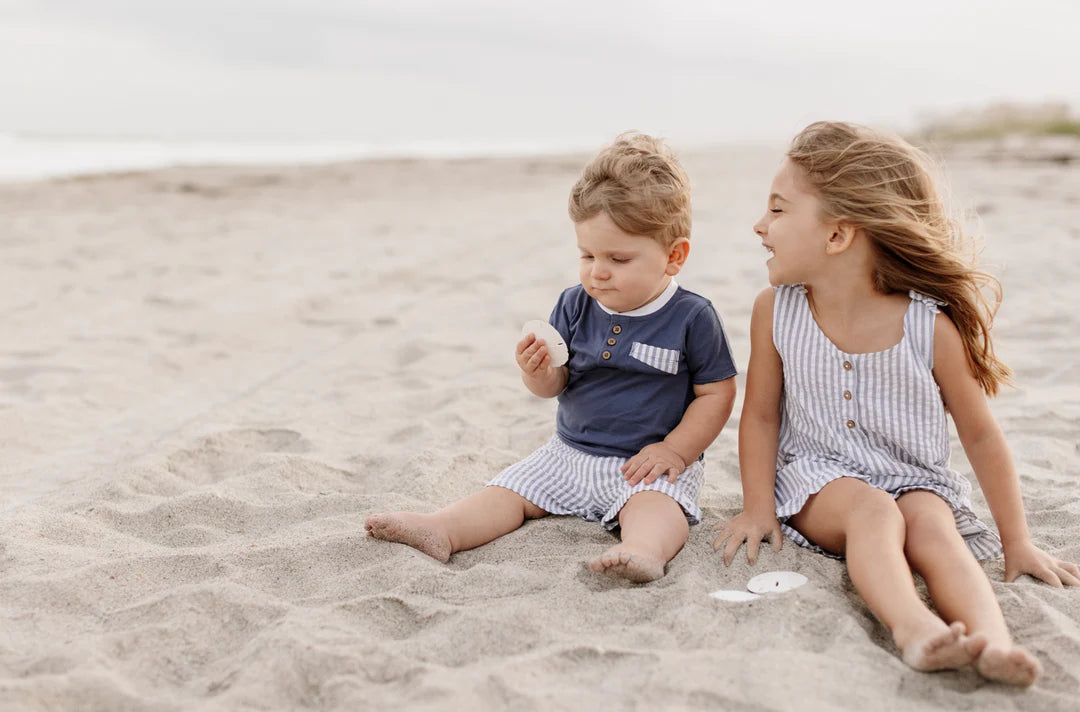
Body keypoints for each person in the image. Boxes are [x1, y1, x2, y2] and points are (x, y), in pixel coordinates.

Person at [713, 121, 1080, 685]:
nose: (760, 226)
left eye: (779, 211)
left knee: (932, 524)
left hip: (914, 478)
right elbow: (760, 415)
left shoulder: (927, 327)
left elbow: (981, 437)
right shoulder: (776, 310)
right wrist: (758, 507)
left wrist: (1018, 541)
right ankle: (914, 629)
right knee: (872, 511)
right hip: (820, 481)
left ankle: (993, 641)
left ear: (837, 236)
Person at [365, 132, 737, 583]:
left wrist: (675, 450)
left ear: (673, 256)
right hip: (567, 453)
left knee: (657, 509)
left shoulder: (691, 316)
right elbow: (555, 386)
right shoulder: (574, 304)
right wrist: (539, 373)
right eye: (587, 254)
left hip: (645, 465)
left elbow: (716, 392)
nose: (597, 271)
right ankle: (444, 528)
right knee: (509, 490)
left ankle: (641, 550)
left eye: (618, 259)